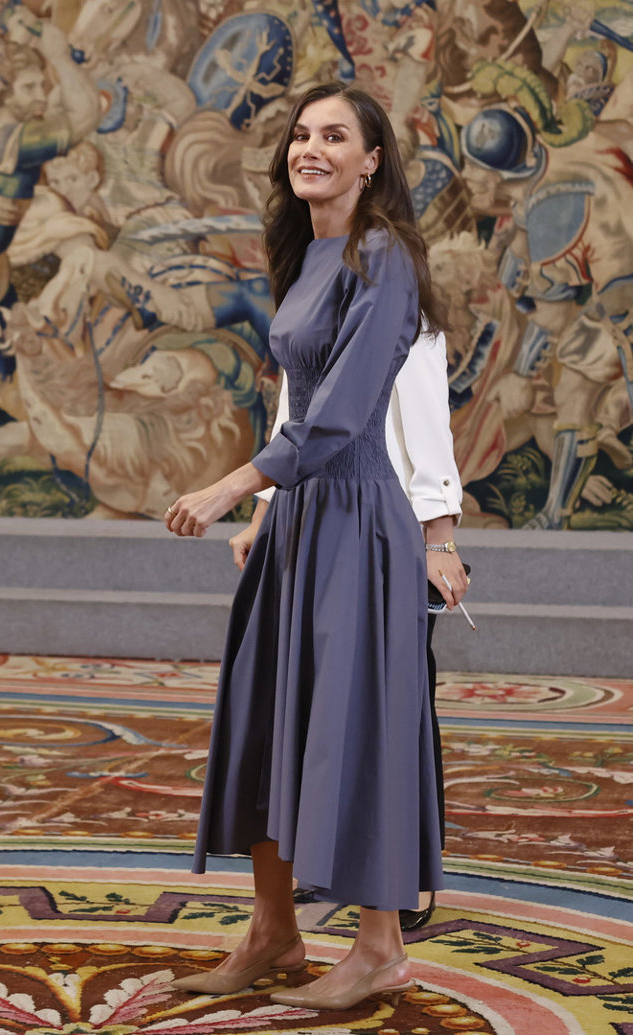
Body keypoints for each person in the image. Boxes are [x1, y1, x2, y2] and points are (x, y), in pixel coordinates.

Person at [164, 81, 468, 1011]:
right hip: (298, 520)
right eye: (302, 134)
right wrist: (264, 512)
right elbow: (298, 399)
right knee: (267, 716)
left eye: (335, 136)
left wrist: (229, 486)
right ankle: (274, 929)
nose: (312, 148)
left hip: (359, 518)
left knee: (353, 724)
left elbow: (339, 417)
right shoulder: (307, 253)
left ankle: (379, 948)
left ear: (372, 160)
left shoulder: (387, 257)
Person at [231, 325, 466, 933]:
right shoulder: (315, 301)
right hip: (309, 518)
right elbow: (295, 413)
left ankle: (407, 875)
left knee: (393, 704)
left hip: (385, 521)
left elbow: (427, 419)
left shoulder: (402, 307)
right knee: (314, 699)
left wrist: (439, 537)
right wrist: (262, 512)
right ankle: (322, 857)